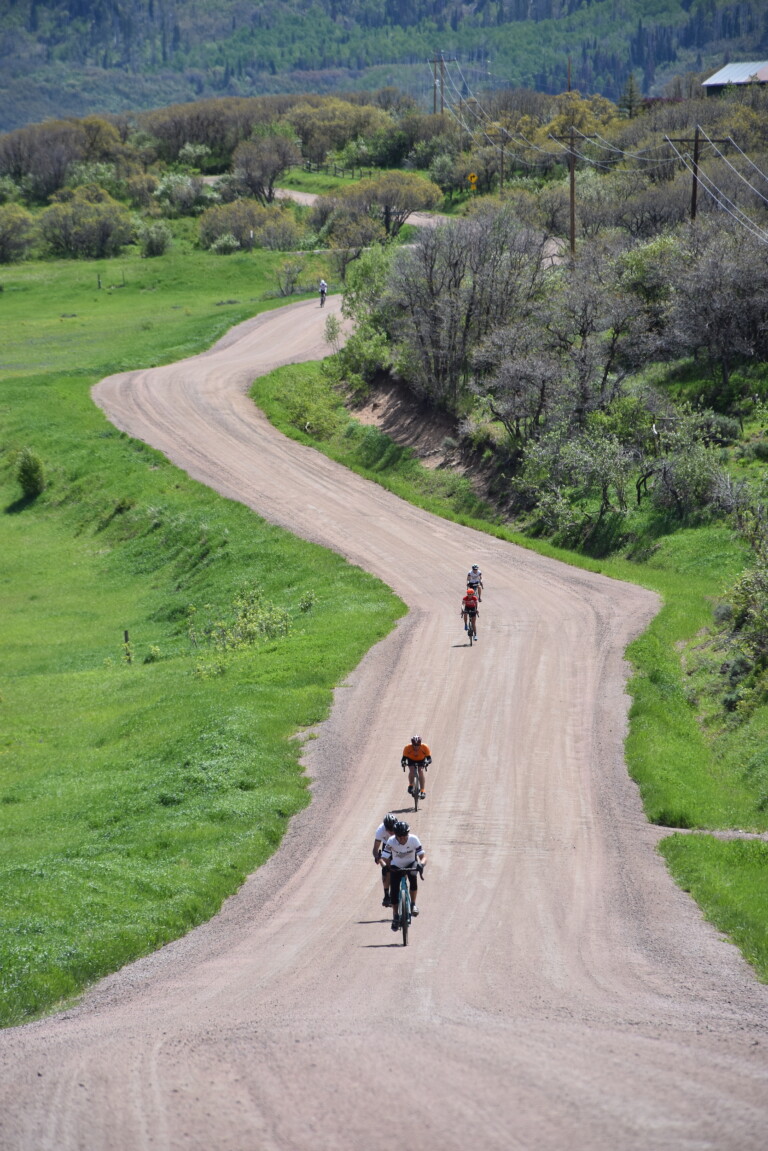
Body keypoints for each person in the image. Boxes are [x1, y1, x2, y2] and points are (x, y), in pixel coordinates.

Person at [381, 820, 426, 930]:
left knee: (413, 878)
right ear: (395, 835)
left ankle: (413, 904)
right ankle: (396, 915)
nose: (402, 839)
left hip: (411, 864)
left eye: (404, 836)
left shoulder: (414, 839)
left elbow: (423, 857)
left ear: (408, 834)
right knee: (394, 892)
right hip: (396, 866)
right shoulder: (391, 841)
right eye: (399, 837)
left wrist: (422, 864)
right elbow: (383, 858)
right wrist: (384, 866)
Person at [372, 812, 399, 907]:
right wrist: (377, 858)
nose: (391, 832)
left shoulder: (399, 827)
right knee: (386, 870)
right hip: (386, 845)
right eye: (389, 830)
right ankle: (386, 895)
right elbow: (375, 850)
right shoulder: (380, 831)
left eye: (393, 830)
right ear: (385, 828)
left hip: (397, 845)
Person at [401, 735, 432, 801]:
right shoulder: (407, 747)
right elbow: (403, 759)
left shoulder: (425, 747)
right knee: (411, 770)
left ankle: (422, 791)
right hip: (411, 760)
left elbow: (429, 758)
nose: (416, 747)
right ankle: (411, 785)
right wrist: (403, 763)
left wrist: (427, 762)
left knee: (420, 771)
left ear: (420, 744)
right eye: (414, 745)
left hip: (421, 760)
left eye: (418, 745)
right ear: (412, 744)